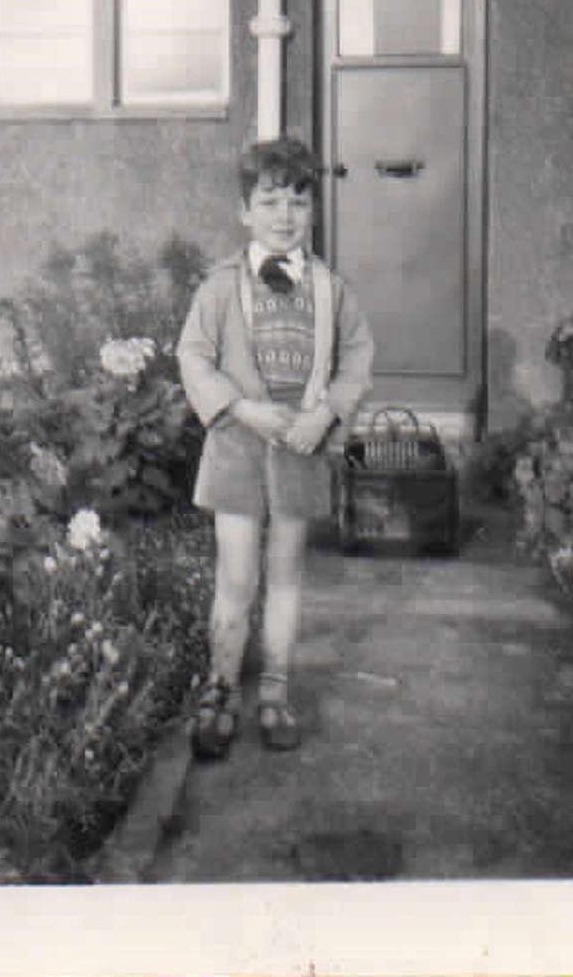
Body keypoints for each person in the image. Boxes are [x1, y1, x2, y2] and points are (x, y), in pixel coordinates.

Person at [176, 137, 374, 757]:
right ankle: (219, 687)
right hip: (238, 445)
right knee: (237, 575)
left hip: (299, 447)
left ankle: (275, 690)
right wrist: (241, 407)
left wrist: (329, 414)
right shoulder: (218, 288)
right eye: (269, 202)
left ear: (312, 209)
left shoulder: (331, 289)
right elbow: (194, 357)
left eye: (297, 201)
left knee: (285, 574)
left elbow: (357, 358)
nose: (284, 215)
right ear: (245, 212)